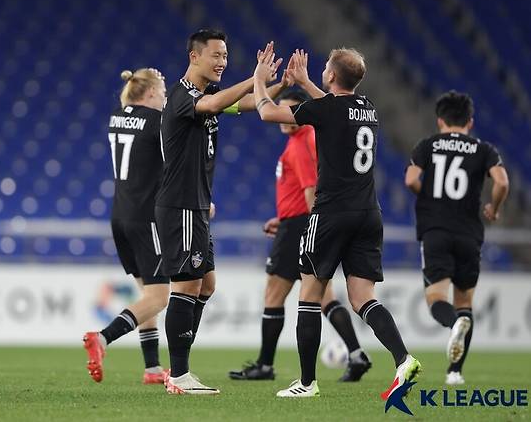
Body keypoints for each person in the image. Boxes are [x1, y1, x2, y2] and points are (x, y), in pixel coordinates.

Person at [252, 47, 421, 398]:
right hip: (368, 214)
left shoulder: (327, 108)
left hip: (330, 213)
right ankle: (403, 358)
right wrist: (308, 83)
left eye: (326, 70)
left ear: (330, 76)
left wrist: (258, 76)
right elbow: (333, 108)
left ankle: (307, 383)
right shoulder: (367, 108)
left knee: (310, 297)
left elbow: (268, 111)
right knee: (362, 299)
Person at [156, 30, 291, 395]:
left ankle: (179, 368)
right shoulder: (184, 95)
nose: (222, 62)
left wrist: (276, 85)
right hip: (181, 204)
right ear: (194, 56)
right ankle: (180, 375)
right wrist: (255, 77)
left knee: (206, 285)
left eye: (226, 56)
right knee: (185, 285)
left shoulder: (210, 95)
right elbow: (213, 107)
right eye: (216, 55)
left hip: (197, 205)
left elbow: (247, 104)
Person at [228, 90, 371, 382]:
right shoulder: (303, 140)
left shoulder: (301, 142)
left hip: (301, 226)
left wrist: (306, 228)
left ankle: (265, 365)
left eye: (290, 109)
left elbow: (310, 191)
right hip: (295, 222)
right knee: (324, 298)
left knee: (274, 293)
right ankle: (357, 355)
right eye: (282, 108)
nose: (284, 115)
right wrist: (283, 219)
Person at [405, 90, 509, 385]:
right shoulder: (483, 148)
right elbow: (501, 181)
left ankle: (454, 324)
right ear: (470, 122)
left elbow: (411, 179)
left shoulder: (428, 145)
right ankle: (455, 372)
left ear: (440, 121)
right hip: (469, 233)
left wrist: (427, 197)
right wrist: (494, 207)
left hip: (436, 230)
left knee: (437, 298)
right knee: (465, 301)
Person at [83, 68, 170, 385]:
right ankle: (103, 338)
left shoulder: (116, 118)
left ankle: (152, 369)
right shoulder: (156, 122)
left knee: (146, 295)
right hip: (145, 218)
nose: (165, 97)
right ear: (148, 93)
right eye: (162, 91)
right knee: (160, 297)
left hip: (119, 216)